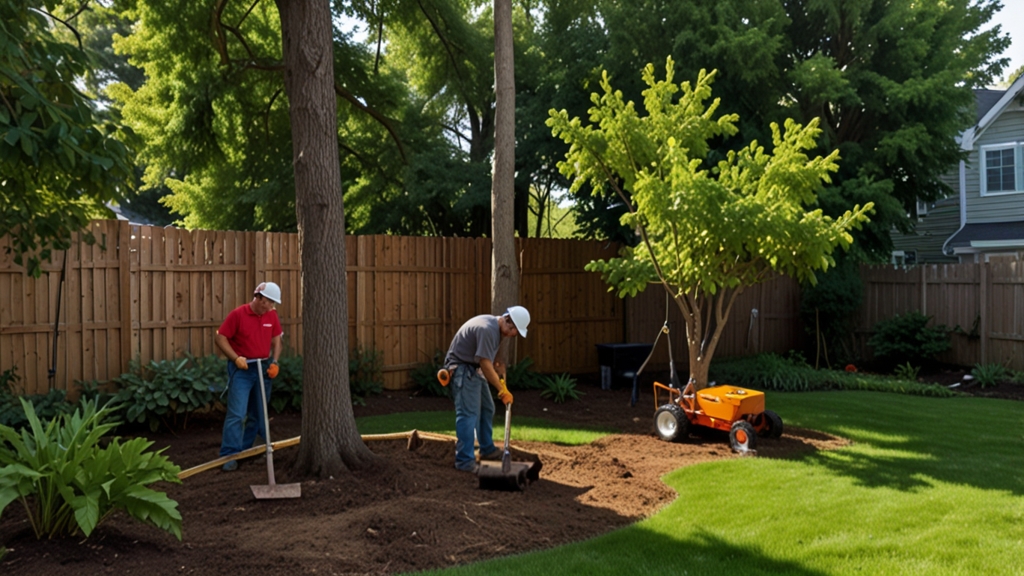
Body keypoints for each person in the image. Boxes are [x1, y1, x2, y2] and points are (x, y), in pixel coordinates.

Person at [443, 306, 530, 473]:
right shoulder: (487, 329)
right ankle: (464, 461)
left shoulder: (495, 328)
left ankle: (487, 449)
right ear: (509, 322)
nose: (514, 335)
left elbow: (490, 357)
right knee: (468, 415)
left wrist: (499, 365)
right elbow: (484, 363)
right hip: (462, 370)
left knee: (487, 408)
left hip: (472, 369)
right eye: (515, 331)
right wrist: (502, 390)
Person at [215, 281, 284, 471]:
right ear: (258, 297)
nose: (270, 306)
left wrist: (275, 362)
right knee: (237, 413)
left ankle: (244, 451)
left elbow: (277, 341)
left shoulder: (272, 315)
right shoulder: (238, 314)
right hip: (243, 370)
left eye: (273, 303)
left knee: (259, 414)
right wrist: (236, 358)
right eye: (268, 302)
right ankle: (228, 455)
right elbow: (220, 337)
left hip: (264, 368)